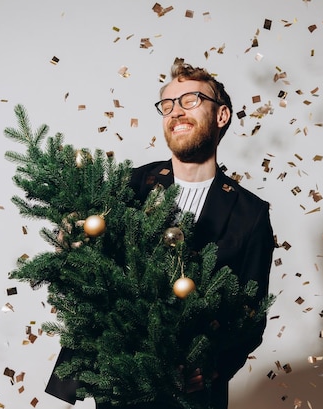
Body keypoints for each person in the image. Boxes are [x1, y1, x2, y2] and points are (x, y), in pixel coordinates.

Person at [45, 60, 274, 409]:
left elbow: (250, 315)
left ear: (222, 115)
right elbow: (89, 272)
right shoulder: (130, 185)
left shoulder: (250, 215)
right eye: (167, 105)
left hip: (192, 396)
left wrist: (210, 368)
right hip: (118, 388)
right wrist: (69, 240)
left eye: (190, 100)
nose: (176, 111)